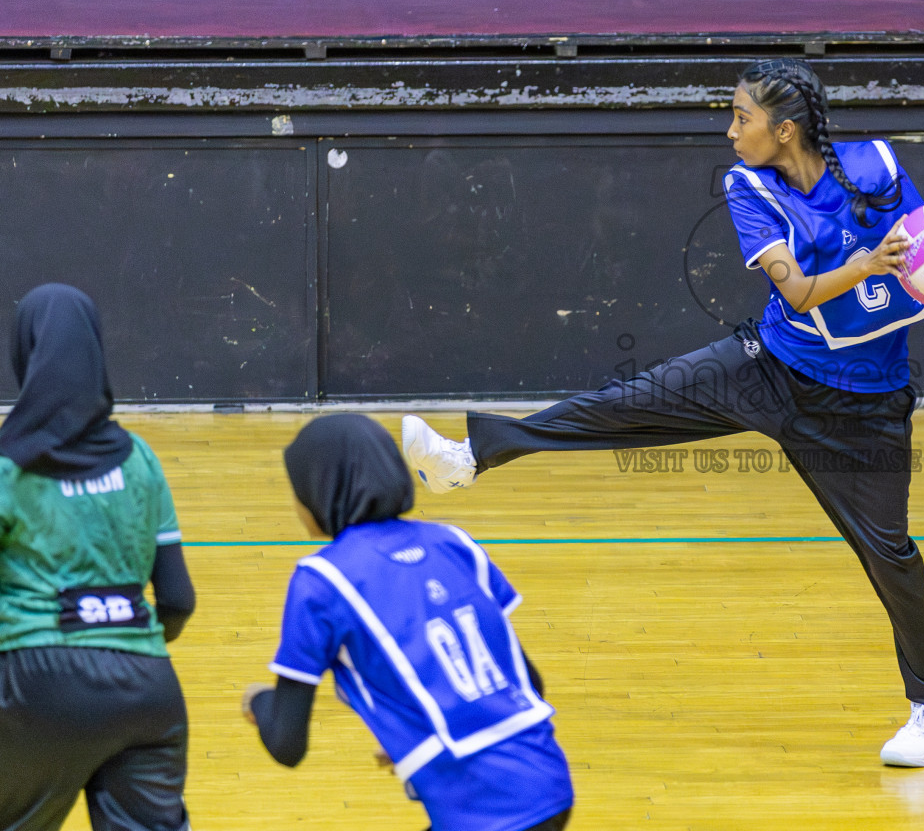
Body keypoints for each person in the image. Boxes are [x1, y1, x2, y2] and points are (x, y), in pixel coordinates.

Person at [403, 58, 924, 767]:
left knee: (889, 554)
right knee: (625, 402)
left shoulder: (875, 167)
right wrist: (868, 265)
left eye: (744, 118)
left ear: (786, 129)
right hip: (766, 367)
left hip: (863, 409)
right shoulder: (748, 186)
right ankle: (468, 459)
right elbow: (798, 293)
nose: (730, 130)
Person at [241, 414, 573, 831]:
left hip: (485, 810)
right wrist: (422, 735)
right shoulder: (455, 542)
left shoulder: (321, 580)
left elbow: (287, 744)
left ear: (318, 489)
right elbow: (528, 683)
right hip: (549, 782)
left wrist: (257, 702)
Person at [0, 283, 196, 831]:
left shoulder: (6, 468)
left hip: (36, 683)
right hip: (147, 687)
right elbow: (178, 601)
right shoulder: (141, 461)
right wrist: (120, 643)